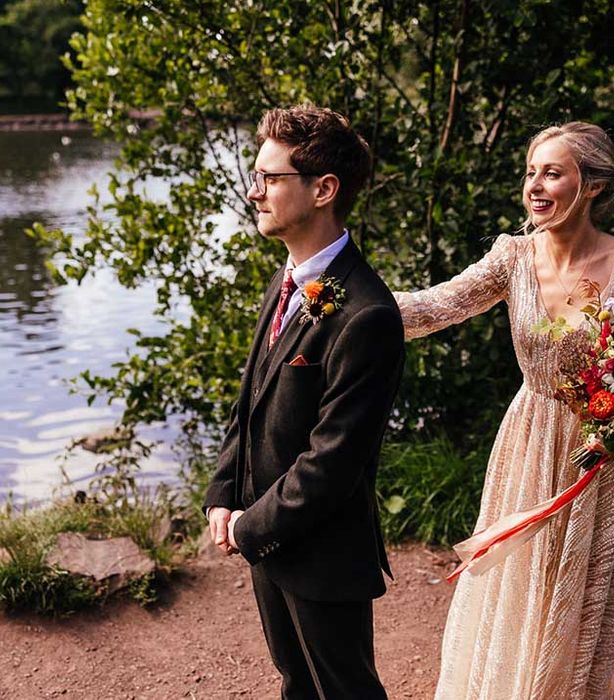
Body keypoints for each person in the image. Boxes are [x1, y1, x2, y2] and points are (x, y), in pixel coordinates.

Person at [394, 122, 614, 699]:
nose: (535, 186)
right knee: (526, 579)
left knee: (590, 585)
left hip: (605, 447)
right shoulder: (512, 256)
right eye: (530, 172)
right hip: (528, 437)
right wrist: (348, 300)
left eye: (552, 173)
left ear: (590, 184)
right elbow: (435, 306)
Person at [203, 105, 404, 700]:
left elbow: (332, 462)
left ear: (323, 189)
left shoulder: (367, 314)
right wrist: (223, 495)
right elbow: (252, 400)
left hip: (322, 552)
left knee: (344, 691)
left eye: (269, 179)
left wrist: (249, 528)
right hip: (268, 539)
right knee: (296, 684)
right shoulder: (289, 277)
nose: (254, 191)